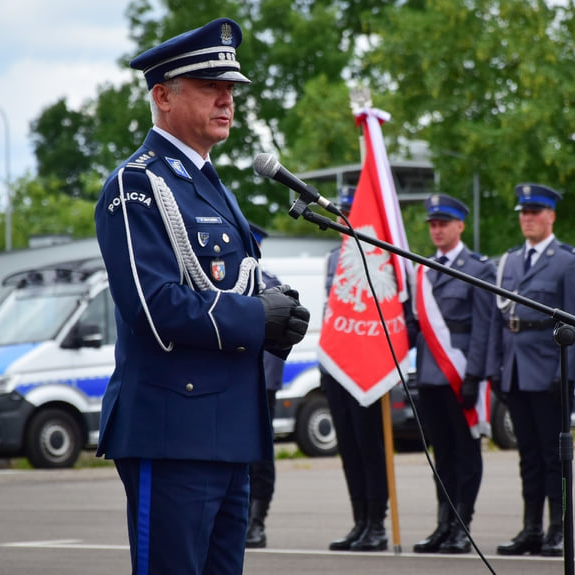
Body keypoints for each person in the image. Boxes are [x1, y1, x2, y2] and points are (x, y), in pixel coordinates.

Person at [94, 18, 309, 575]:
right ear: (163, 95)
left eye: (231, 88)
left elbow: (234, 280)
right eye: (210, 86)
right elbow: (153, 307)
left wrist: (279, 311)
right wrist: (255, 316)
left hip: (228, 430)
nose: (227, 98)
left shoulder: (210, 183)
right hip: (173, 430)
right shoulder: (137, 183)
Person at [488, 184, 575, 557]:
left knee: (554, 456)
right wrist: (496, 367)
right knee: (527, 454)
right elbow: (501, 318)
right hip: (516, 368)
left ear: (551, 216)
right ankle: (531, 528)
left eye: (535, 213)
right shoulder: (511, 261)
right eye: (523, 213)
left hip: (550, 367)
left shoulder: (568, 261)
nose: (527, 219)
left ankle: (558, 529)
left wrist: (567, 374)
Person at [409, 194, 495, 554]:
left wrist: (475, 375)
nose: (437, 230)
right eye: (433, 224)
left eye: (444, 223)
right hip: (430, 375)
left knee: (465, 453)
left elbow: (483, 328)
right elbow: (415, 326)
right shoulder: (423, 269)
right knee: (441, 453)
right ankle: (444, 524)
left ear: (460, 225)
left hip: (461, 375)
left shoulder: (479, 269)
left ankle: (463, 525)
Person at [319, 186, 390, 553]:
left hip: (368, 365)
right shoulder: (334, 259)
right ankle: (360, 520)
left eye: (349, 211)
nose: (342, 218)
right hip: (337, 366)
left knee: (369, 446)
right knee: (348, 446)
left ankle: (378, 522)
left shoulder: (378, 258)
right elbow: (331, 312)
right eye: (340, 211)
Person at [245, 222, 286, 549]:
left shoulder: (270, 286)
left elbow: (274, 345)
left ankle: (257, 521)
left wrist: (264, 384)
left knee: (260, 456)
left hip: (258, 384)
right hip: (230, 383)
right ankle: (240, 516)